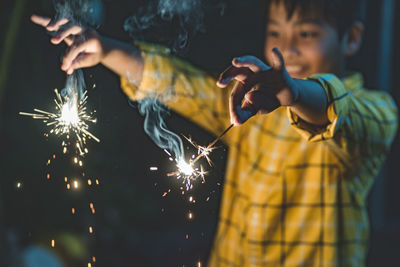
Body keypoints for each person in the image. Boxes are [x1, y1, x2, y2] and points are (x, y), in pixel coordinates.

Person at [31, 0, 398, 265]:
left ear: (351, 38)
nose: (286, 47)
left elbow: (340, 112)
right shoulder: (250, 108)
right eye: (275, 32)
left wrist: (296, 92)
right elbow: (180, 84)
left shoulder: (374, 111)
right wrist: (108, 49)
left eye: (306, 32)